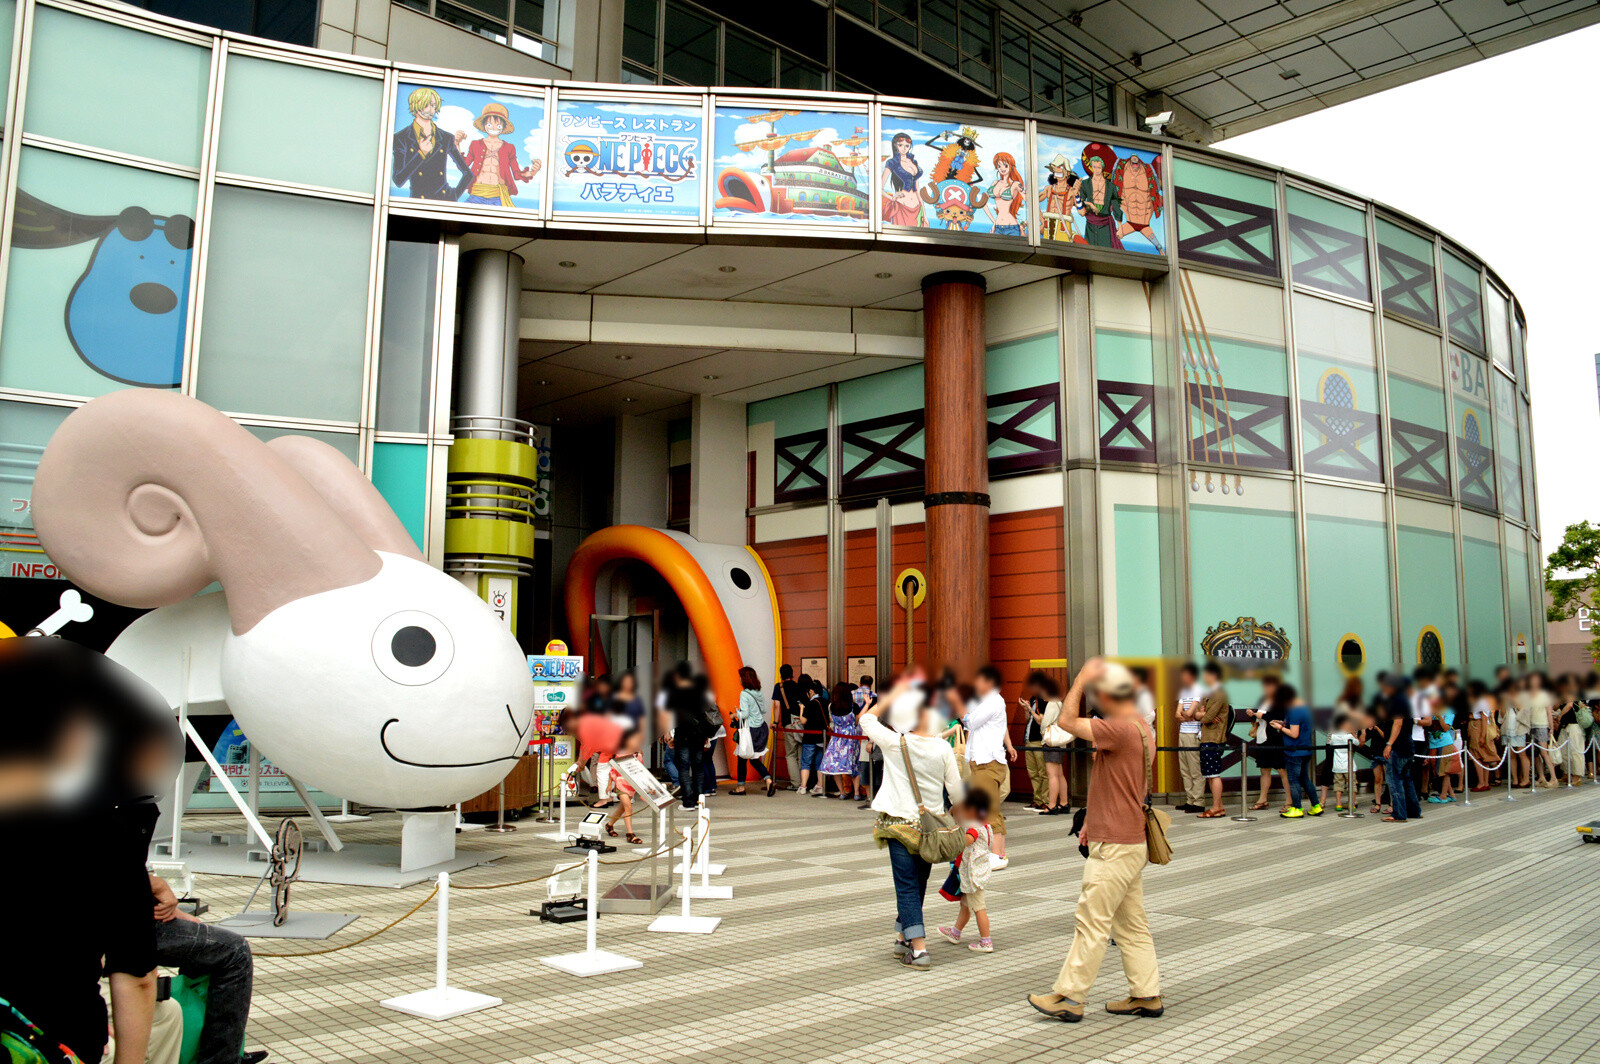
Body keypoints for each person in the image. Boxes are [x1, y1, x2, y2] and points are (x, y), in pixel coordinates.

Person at [1027, 659, 1161, 1022]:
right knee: (1132, 924)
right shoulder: (1141, 729)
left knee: (1091, 919)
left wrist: (1082, 679)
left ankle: (1069, 997)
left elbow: (1065, 723)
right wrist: (1091, 821)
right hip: (1128, 838)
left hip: (1115, 844)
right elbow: (1119, 784)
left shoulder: (1120, 728)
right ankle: (1146, 994)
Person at [859, 676, 965, 971]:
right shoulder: (943, 749)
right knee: (918, 884)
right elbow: (956, 793)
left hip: (898, 825)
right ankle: (905, 938)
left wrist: (889, 698)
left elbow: (865, 720)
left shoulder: (896, 743)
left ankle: (919, 950)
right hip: (930, 829)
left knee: (906, 887)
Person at [963, 665, 1014, 866]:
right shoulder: (985, 701)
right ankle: (995, 853)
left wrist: (963, 713)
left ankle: (998, 855)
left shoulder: (993, 701)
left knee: (990, 809)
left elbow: (971, 721)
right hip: (982, 762)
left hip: (988, 763)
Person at [935, 788, 996, 953]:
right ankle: (955, 932)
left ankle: (986, 941)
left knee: (978, 908)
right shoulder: (986, 826)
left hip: (973, 876)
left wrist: (951, 842)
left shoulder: (974, 829)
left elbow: (966, 841)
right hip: (977, 873)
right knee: (965, 905)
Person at [390, 86, 472, 200]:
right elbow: (398, 180)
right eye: (426, 105)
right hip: (418, 203)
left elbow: (468, 173)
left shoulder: (446, 137)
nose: (430, 110)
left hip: (444, 200)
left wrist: (453, 196)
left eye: (433, 105)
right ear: (415, 106)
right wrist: (421, 154)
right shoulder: (401, 137)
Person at [660, 662, 715, 809]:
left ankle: (688, 802)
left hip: (683, 733)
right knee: (698, 767)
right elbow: (706, 714)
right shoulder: (699, 690)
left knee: (684, 767)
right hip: (698, 734)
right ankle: (699, 801)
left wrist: (667, 732)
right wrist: (706, 735)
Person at [1272, 685, 1320, 818]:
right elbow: (1299, 727)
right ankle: (1316, 805)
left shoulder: (1293, 711)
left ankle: (1297, 807)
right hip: (1306, 749)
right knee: (1305, 779)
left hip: (1294, 751)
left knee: (1293, 781)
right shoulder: (1305, 709)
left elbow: (1294, 733)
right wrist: (1283, 723)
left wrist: (1279, 728)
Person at [1381, 675, 1421, 823]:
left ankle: (1399, 813)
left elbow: (1397, 724)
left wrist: (1389, 744)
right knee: (1407, 780)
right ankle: (1414, 811)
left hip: (1398, 747)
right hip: (1408, 745)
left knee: (1395, 780)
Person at [730, 666, 774, 796]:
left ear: (744, 678)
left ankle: (740, 787)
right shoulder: (758, 692)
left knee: (742, 757)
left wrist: (735, 714)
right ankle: (768, 779)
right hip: (761, 728)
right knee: (754, 759)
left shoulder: (744, 693)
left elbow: (745, 714)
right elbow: (764, 710)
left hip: (750, 730)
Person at [1195, 663, 1231, 817]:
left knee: (1214, 774)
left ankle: (1216, 807)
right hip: (1207, 737)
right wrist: (1203, 714)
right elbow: (1198, 714)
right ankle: (1219, 807)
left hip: (1214, 739)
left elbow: (1206, 717)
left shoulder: (1219, 693)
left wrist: (1204, 715)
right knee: (1209, 774)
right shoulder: (1209, 693)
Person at [1247, 674, 1285, 810]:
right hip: (1263, 738)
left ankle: (1290, 801)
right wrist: (1253, 714)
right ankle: (1262, 799)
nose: (1266, 688)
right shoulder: (1264, 700)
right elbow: (1260, 718)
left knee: (1282, 770)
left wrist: (1262, 715)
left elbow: (1279, 719)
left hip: (1276, 739)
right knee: (1264, 769)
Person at [602, 727, 646, 844]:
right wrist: (609, 784)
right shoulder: (621, 752)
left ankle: (609, 825)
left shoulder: (638, 753)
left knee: (622, 808)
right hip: (621, 783)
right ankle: (630, 834)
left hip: (632, 785)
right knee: (628, 808)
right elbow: (613, 769)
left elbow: (641, 770)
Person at [821, 682, 862, 800]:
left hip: (836, 738)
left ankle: (842, 792)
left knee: (835, 766)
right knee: (854, 765)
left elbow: (831, 722)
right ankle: (856, 793)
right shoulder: (853, 706)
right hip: (850, 738)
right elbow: (856, 722)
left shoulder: (831, 707)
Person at [1173, 663, 1205, 813]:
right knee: (1184, 768)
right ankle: (1189, 799)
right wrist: (1185, 715)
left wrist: (1185, 714)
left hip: (1193, 734)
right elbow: (1177, 714)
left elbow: (1190, 712)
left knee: (1195, 769)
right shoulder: (1184, 691)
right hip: (1183, 732)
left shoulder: (1198, 690)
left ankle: (1198, 802)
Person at [880, 132, 924, 227]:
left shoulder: (914, 162)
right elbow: (879, 188)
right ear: (895, 145)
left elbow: (918, 190)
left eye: (907, 146)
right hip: (902, 207)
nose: (904, 148)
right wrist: (892, 198)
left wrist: (924, 213)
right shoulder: (892, 163)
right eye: (900, 145)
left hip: (917, 207)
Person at [771, 664, 804, 790]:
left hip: (788, 723)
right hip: (800, 723)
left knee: (790, 754)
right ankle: (804, 782)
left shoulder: (779, 687)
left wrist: (775, 721)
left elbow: (777, 706)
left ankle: (796, 783)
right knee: (801, 752)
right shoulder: (798, 686)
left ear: (781, 674)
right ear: (792, 673)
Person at [1523, 672, 1558, 787]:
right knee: (1535, 753)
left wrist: (1551, 728)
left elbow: (1549, 712)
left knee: (1544, 752)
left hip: (1542, 725)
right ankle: (1541, 776)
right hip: (1531, 726)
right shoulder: (1528, 695)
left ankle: (1553, 778)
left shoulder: (1544, 695)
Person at [1021, 672, 1050, 811]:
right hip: (1029, 740)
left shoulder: (1045, 700)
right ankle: (1037, 799)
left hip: (1039, 740)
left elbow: (1041, 720)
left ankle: (1045, 800)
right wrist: (1026, 709)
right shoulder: (1033, 699)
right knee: (1033, 772)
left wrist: (1031, 712)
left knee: (1042, 772)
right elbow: (1028, 719)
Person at [797, 675, 829, 796]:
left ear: (811, 691)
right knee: (819, 763)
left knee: (806, 762)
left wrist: (801, 709)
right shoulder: (825, 702)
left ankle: (803, 787)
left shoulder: (810, 704)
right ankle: (820, 786)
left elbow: (803, 721)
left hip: (810, 737)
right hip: (822, 736)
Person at [1466, 679, 1499, 791]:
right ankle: (1485, 781)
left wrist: (1482, 736)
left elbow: (1484, 718)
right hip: (1477, 725)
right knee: (1484, 756)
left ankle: (1481, 782)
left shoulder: (1481, 701)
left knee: (1477, 754)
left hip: (1478, 727)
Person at [984, 152, 1026, 236]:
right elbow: (983, 203)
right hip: (998, 227)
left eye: (1005, 165)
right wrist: (994, 222)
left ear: (1011, 166)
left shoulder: (1015, 184)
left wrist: (1026, 222)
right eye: (999, 166)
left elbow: (1029, 201)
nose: (1002, 168)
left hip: (1012, 227)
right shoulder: (995, 183)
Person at [856, 679, 882, 809]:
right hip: (866, 743)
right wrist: (867, 704)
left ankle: (874, 798)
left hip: (874, 744)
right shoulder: (870, 708)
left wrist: (871, 741)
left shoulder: (881, 711)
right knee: (865, 770)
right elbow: (860, 718)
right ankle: (869, 797)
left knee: (874, 772)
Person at [1324, 711, 1356, 811]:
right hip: (1348, 763)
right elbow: (1357, 741)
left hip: (1338, 764)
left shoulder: (1334, 736)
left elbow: (1331, 741)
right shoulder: (1349, 735)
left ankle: (1339, 804)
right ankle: (1352, 803)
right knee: (1351, 783)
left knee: (1338, 784)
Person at [1499, 678, 1528, 788]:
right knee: (1511, 755)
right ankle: (1515, 779)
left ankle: (1525, 779)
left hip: (1519, 728)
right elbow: (1502, 715)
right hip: (1507, 728)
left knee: (1522, 753)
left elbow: (1523, 711)